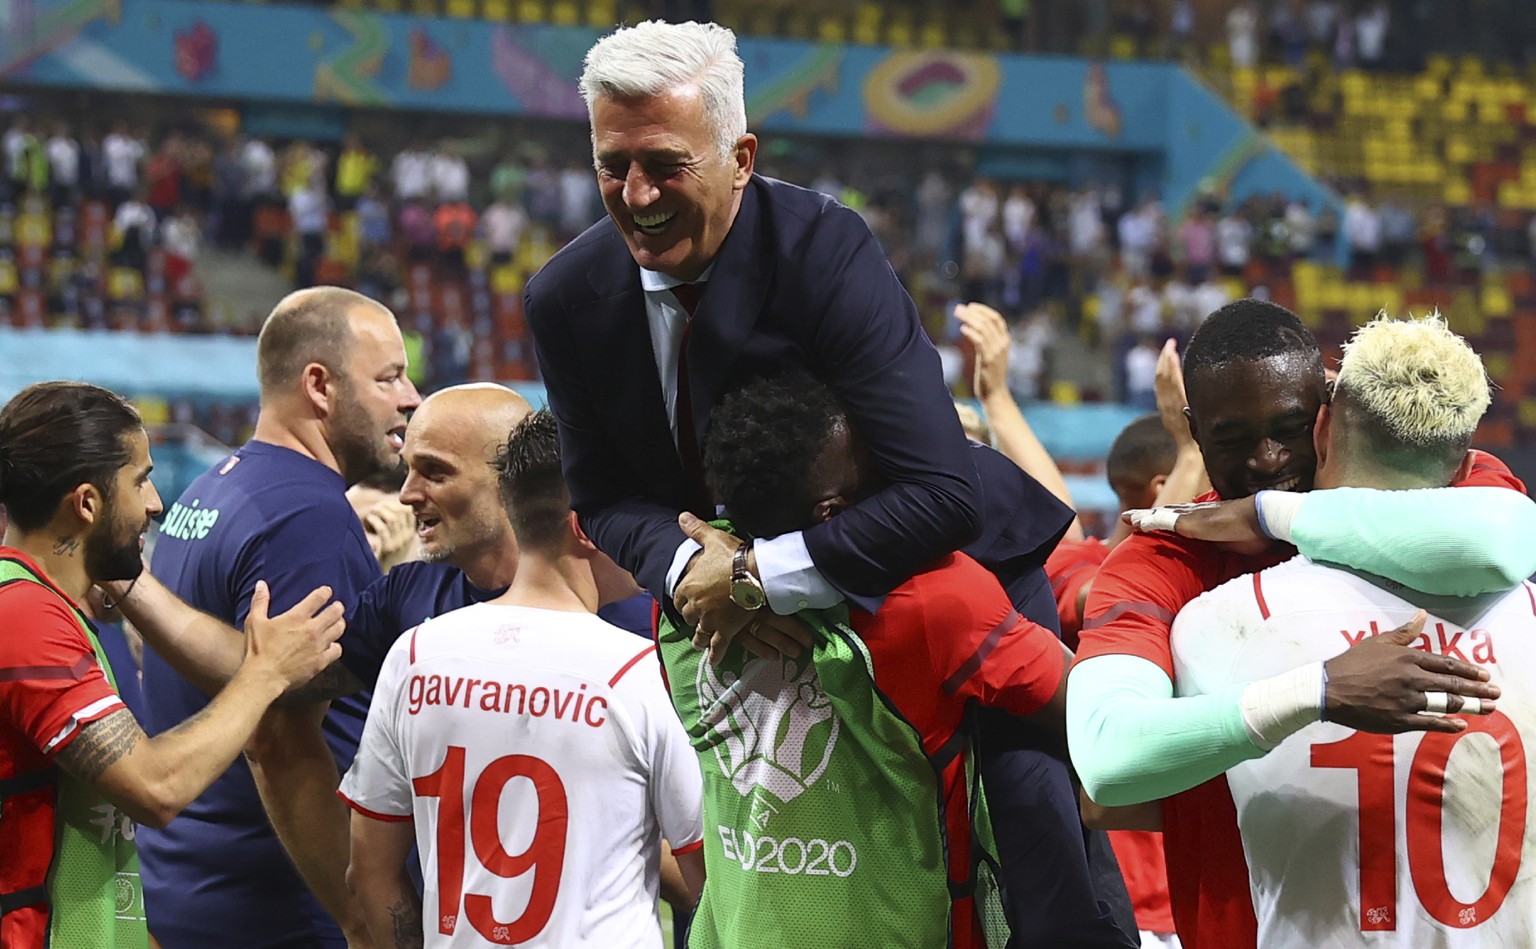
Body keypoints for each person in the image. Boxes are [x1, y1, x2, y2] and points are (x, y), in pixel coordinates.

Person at [526, 21, 1131, 938]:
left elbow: (939, 493)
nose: (636, 194)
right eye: (613, 165)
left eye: (664, 164)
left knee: (1032, 821)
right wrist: (694, 570)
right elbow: (605, 495)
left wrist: (758, 575)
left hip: (927, 565)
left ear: (740, 156)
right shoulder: (564, 298)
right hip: (721, 589)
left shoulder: (825, 251)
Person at [1066, 300, 1536, 948]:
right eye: (1231, 440)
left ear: (1327, 412)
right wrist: (1315, 691)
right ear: (1193, 432)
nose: (1265, 459)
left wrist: (1269, 514)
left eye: (1287, 428)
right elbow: (1107, 765)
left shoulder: (1435, 494)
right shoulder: (1163, 563)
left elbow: (1506, 538)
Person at [658, 373, 1127, 949]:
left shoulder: (688, 600)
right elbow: (1101, 716)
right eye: (873, 459)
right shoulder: (935, 600)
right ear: (833, 511)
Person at [341, 411, 705, 948]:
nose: (650, 541)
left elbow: (368, 875)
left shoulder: (415, 657)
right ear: (587, 527)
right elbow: (712, 886)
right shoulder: (639, 672)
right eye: (638, 522)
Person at [0, 381, 342, 948]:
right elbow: (156, 788)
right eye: (140, 481)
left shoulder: (46, 606)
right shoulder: (26, 619)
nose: (155, 502)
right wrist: (264, 671)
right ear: (87, 503)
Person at [136, 287, 421, 949]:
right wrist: (361, 915)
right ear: (319, 385)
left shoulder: (214, 489)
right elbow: (281, 742)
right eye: (388, 378)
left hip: (189, 891)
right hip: (281, 910)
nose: (409, 396)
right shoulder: (307, 514)